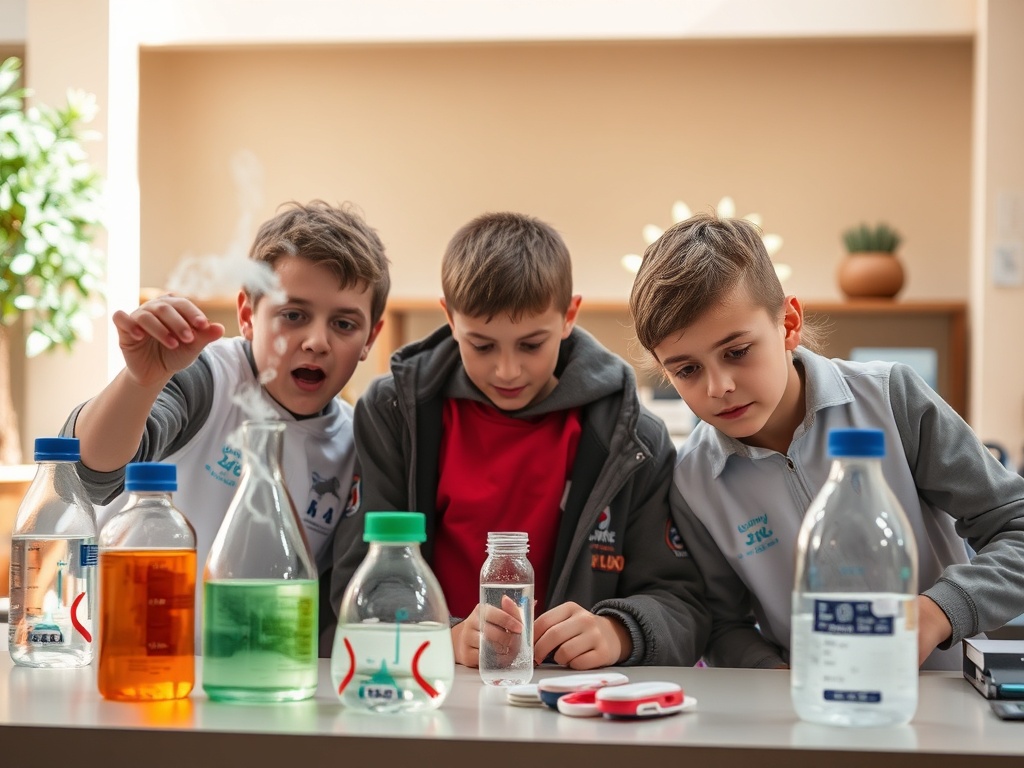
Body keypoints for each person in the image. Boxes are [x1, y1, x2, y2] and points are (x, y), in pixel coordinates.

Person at [628, 210, 1024, 671]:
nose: (718, 387)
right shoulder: (693, 480)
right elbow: (721, 623)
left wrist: (937, 614)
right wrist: (774, 676)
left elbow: (1016, 529)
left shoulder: (891, 398)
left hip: (940, 702)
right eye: (687, 370)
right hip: (802, 715)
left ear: (789, 323)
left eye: (737, 352)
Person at [332, 211, 709, 670]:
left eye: (531, 345)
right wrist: (441, 637)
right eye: (482, 345)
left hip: (567, 702)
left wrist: (618, 632)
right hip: (427, 684)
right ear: (450, 319)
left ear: (569, 316)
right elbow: (359, 579)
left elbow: (683, 605)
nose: (507, 370)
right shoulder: (393, 414)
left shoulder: (633, 437)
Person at [61, 200, 391, 652]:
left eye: (344, 323)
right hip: (118, 663)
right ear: (248, 315)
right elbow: (85, 475)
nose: (317, 341)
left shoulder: (357, 441)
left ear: (370, 337)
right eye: (293, 315)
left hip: (246, 683)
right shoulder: (205, 377)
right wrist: (141, 381)